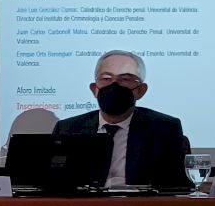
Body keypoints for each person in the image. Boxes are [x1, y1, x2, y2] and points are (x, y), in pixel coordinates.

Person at [52, 50, 188, 189]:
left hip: (139, 202)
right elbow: (53, 181)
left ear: (141, 90)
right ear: (94, 89)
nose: (114, 85)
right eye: (106, 78)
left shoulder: (164, 128)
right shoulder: (68, 128)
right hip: (86, 202)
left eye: (125, 79)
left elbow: (174, 185)